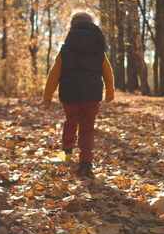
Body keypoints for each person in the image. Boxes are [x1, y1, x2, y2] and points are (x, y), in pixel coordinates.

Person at [42, 11, 115, 177]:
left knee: (71, 122)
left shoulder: (66, 50)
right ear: (92, 25)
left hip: (70, 94)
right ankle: (86, 163)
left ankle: (67, 152)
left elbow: (54, 74)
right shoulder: (99, 50)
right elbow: (108, 72)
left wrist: (47, 96)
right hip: (92, 95)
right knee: (87, 128)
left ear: (72, 27)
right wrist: (110, 92)